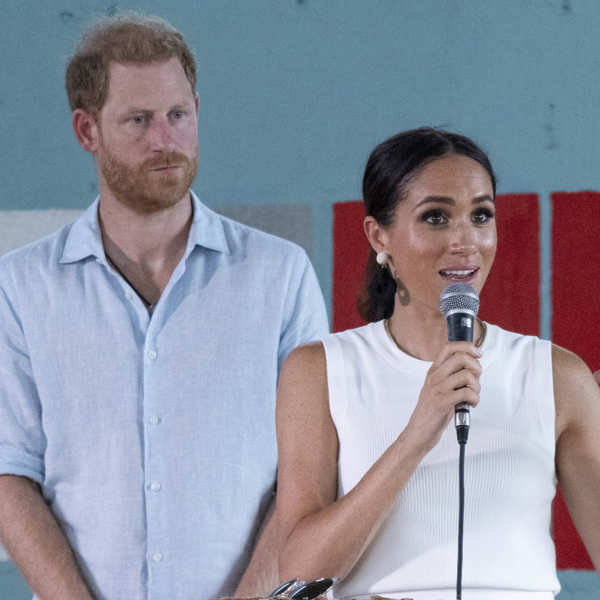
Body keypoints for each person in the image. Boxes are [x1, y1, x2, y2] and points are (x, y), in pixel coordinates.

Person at [0, 13, 328, 600]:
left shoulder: (278, 276)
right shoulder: (21, 288)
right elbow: (8, 470)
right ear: (86, 129)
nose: (165, 140)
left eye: (178, 115)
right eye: (139, 120)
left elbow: (309, 473)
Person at [275, 128, 600, 599]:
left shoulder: (556, 375)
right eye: (435, 218)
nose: (465, 241)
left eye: (481, 215)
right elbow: (300, 573)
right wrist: (418, 434)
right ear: (378, 235)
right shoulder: (320, 370)